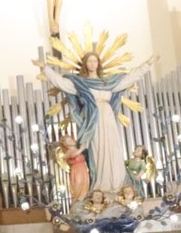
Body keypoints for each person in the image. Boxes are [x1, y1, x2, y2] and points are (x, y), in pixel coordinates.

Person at [41, 51, 158, 193]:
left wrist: (148, 64)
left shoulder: (108, 83)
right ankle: (102, 186)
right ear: (85, 64)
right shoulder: (81, 83)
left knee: (113, 149)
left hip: (108, 117)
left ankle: (118, 184)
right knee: (98, 150)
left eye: (94, 61)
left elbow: (129, 78)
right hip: (93, 119)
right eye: (89, 61)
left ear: (98, 64)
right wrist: (45, 68)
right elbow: (61, 83)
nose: (92, 64)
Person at [60, 134, 89, 203]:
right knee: (79, 184)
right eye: (69, 140)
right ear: (66, 144)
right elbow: (73, 155)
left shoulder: (76, 149)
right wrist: (81, 149)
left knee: (85, 184)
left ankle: (83, 199)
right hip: (77, 170)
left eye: (71, 139)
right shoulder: (69, 151)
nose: (72, 140)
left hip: (83, 169)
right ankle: (77, 200)